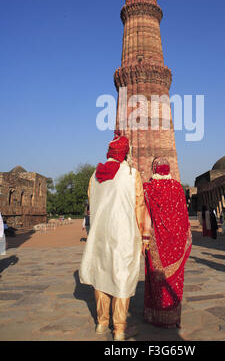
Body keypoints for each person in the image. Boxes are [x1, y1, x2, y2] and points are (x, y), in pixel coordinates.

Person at [79, 132, 147, 340]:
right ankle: (119, 329)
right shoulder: (131, 175)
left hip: (99, 235)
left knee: (101, 276)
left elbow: (92, 203)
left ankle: (101, 323)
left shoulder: (94, 176)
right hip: (123, 234)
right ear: (126, 153)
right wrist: (144, 235)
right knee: (121, 278)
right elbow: (139, 206)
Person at [142, 157, 192, 328]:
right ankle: (173, 317)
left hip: (157, 243)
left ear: (154, 169)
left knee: (157, 279)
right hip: (177, 242)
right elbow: (184, 218)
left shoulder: (148, 188)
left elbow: (146, 216)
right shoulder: (178, 187)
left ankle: (157, 316)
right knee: (175, 280)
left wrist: (144, 238)